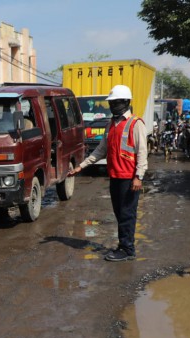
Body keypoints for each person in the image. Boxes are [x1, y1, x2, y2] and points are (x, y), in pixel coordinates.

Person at [68, 84, 148, 262]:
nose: (113, 106)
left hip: (129, 179)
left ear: (126, 102)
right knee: (120, 214)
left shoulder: (136, 124)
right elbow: (100, 151)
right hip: (115, 177)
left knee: (127, 214)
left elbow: (142, 152)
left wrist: (138, 176)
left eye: (116, 102)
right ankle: (124, 245)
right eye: (111, 102)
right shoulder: (110, 125)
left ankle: (127, 249)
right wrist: (82, 166)